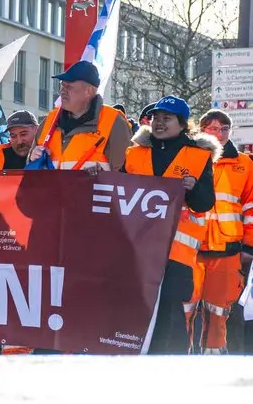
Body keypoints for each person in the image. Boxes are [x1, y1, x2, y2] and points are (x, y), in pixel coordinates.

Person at [126, 96, 215, 355]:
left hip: (176, 252)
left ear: (182, 124)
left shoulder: (198, 156)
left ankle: (169, 366)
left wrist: (193, 188)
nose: (159, 123)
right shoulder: (133, 153)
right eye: (155, 117)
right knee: (137, 307)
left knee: (169, 310)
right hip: (138, 250)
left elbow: (204, 203)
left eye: (167, 118)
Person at [194, 108, 246, 354]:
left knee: (219, 311)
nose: (220, 133)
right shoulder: (189, 155)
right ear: (202, 129)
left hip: (227, 249)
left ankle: (214, 360)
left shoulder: (244, 164)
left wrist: (248, 247)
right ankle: (184, 357)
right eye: (213, 128)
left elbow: (251, 207)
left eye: (224, 128)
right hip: (190, 246)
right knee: (187, 309)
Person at [31, 61, 129, 171]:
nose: (62, 91)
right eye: (62, 85)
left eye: (69, 86)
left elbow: (125, 176)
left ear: (89, 91)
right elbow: (30, 172)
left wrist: (101, 176)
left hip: (92, 189)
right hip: (51, 188)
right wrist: (33, 158)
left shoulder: (114, 121)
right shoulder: (50, 120)